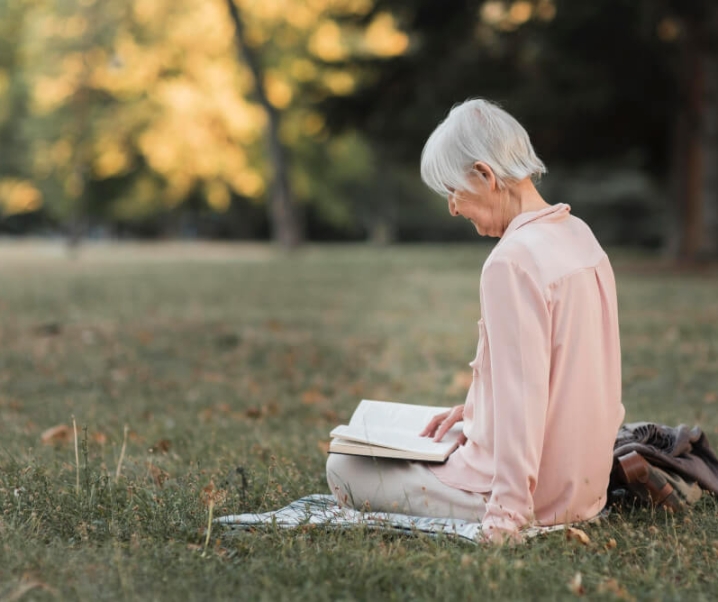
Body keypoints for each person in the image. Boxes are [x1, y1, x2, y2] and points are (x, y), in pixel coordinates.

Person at [326, 99, 625, 543]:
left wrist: (506, 517)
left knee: (344, 466)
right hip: (586, 487)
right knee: (434, 435)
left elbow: (523, 402)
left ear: (485, 175)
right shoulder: (580, 235)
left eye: (453, 190)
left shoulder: (512, 261)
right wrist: (477, 410)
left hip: (534, 496)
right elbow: (575, 372)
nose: (452, 207)